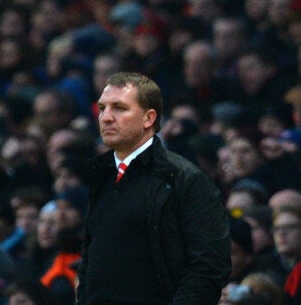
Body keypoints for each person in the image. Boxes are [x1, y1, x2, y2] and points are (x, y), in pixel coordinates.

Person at [76, 72, 230, 304]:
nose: (106, 117)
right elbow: (92, 260)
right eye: (102, 108)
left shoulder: (186, 179)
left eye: (119, 108)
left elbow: (208, 266)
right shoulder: (102, 174)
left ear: (148, 119)